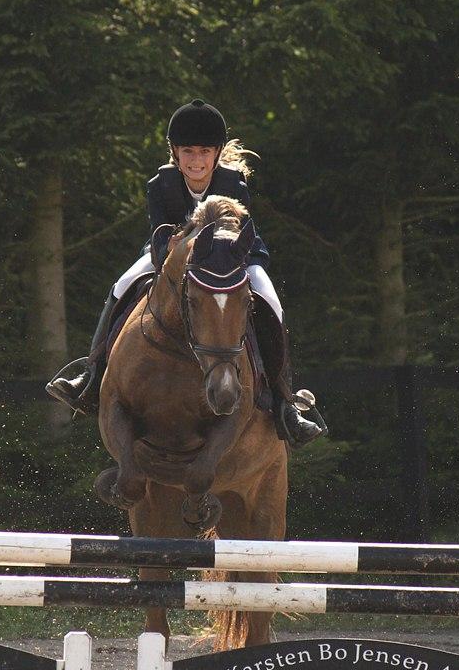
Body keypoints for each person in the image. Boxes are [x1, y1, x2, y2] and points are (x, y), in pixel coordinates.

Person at [46, 99, 326, 447]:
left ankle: (285, 401)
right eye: (188, 151)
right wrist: (179, 256)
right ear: (175, 153)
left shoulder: (232, 182)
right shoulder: (159, 185)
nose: (196, 161)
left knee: (270, 298)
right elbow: (161, 236)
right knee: (122, 284)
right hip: (170, 257)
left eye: (204, 151)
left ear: (218, 152)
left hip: (233, 259)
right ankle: (90, 375)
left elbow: (232, 235)